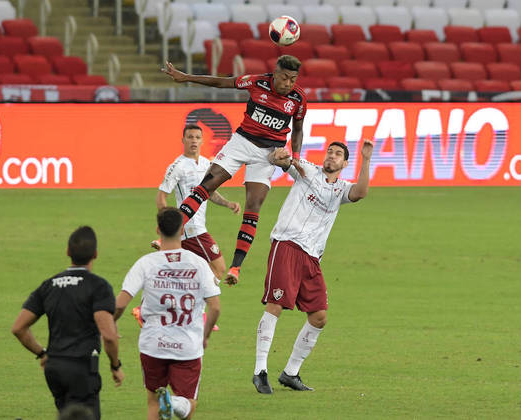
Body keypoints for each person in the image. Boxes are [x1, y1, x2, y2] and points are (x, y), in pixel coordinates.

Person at [161, 55, 307, 285]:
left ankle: (236, 268)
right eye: (284, 77)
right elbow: (222, 82)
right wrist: (186, 77)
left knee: (254, 205)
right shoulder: (256, 82)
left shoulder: (298, 98)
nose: (288, 84)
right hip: (241, 142)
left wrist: (296, 156)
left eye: (292, 79)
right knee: (207, 184)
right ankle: (169, 235)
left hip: (268, 154)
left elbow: (297, 129)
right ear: (274, 73)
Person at [251, 140, 374, 394]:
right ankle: (260, 371)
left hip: (311, 258)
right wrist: (280, 157)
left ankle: (290, 372)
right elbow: (285, 162)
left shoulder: (342, 189)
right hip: (286, 245)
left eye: (338, 154)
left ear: (344, 164)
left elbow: (360, 193)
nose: (332, 156)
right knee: (275, 306)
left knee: (319, 317)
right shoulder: (307, 169)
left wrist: (367, 159)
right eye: (330, 151)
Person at [114, 207, 221, 420]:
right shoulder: (199, 263)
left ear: (157, 230)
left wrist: (112, 323)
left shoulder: (146, 263)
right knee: (188, 403)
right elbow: (215, 307)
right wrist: (205, 336)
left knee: (153, 400)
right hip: (188, 345)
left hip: (153, 344)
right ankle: (176, 403)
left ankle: (169, 402)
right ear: (183, 231)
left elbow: (120, 303)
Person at [11, 226, 124, 419]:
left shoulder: (49, 285)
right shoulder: (98, 286)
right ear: (95, 254)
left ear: (68, 252)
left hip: (54, 369)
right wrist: (115, 365)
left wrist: (42, 353)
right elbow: (109, 336)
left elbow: (18, 328)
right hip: (82, 369)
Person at [152, 123, 241, 281]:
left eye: (197, 137)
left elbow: (208, 193)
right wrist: (169, 226)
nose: (194, 140)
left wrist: (228, 204)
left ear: (202, 141)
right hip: (191, 229)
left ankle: (151, 303)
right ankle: (200, 300)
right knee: (218, 269)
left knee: (182, 273)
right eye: (190, 137)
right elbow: (161, 197)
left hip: (195, 229)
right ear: (183, 140)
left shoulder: (207, 164)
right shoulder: (177, 166)